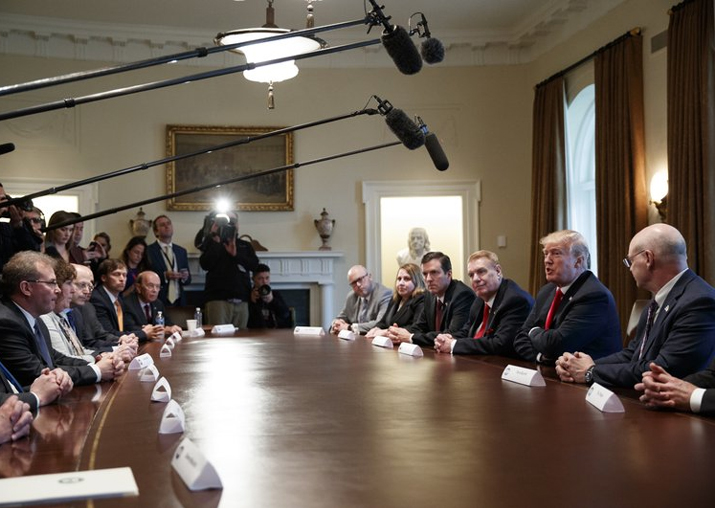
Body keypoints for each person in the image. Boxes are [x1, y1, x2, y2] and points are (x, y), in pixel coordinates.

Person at [556, 224, 715, 388]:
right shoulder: (655, 303)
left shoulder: (699, 302)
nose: (630, 268)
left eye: (630, 261)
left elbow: (661, 370)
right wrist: (580, 365)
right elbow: (633, 354)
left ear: (648, 258)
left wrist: (591, 372)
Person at [0, 251, 124, 387]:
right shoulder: (7, 323)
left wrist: (98, 361)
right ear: (26, 288)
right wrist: (97, 371)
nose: (58, 290)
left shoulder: (36, 320)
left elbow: (55, 358)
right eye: (52, 283)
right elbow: (36, 374)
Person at [513, 230, 621, 363]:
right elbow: (519, 338)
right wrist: (540, 357)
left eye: (556, 253)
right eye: (546, 254)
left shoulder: (593, 295)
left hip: (587, 379)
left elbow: (556, 345)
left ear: (578, 261)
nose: (547, 260)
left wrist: (533, 331)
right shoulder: (546, 292)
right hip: (550, 371)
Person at [434, 250, 534, 356]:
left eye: (481, 272)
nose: (475, 279)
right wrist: (448, 338)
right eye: (471, 275)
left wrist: (453, 345)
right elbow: (467, 331)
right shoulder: (480, 300)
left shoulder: (515, 300)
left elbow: (500, 344)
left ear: (498, 271)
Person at [386, 252, 475, 347]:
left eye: (434, 273)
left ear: (449, 275)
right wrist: (398, 333)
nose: (428, 279)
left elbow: (451, 334)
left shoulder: (462, 295)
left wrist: (410, 337)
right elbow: (419, 327)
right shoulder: (429, 295)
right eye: (424, 274)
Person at [198, 211, 259, 328]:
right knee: (217, 338)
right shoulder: (212, 243)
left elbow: (254, 265)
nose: (231, 224)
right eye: (227, 221)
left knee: (242, 339)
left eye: (234, 221)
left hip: (242, 300)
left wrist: (236, 254)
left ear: (238, 225)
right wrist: (215, 240)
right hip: (218, 300)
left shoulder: (245, 245)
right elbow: (205, 264)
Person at [69, 264, 138, 353]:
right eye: (82, 285)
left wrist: (121, 340)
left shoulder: (87, 306)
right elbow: (87, 344)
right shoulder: (94, 300)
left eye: (90, 285)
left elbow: (100, 333)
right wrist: (118, 348)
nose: (87, 291)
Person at [90, 258, 158, 342]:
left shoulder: (119, 300)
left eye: (124, 275)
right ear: (104, 278)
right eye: (117, 274)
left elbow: (127, 326)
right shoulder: (97, 299)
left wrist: (144, 329)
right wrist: (143, 333)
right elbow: (108, 333)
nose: (122, 279)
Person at [365, 263, 425, 338]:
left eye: (406, 279)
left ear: (417, 281)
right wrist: (375, 329)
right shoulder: (395, 299)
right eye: (399, 279)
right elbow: (383, 322)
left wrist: (386, 332)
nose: (401, 283)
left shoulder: (421, 299)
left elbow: (416, 328)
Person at [330, 265, 392, 335]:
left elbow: (380, 323)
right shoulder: (351, 296)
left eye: (360, 279)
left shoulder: (384, 294)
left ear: (370, 277)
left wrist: (350, 328)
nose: (358, 285)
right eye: (353, 283)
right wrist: (336, 324)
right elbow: (342, 317)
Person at [146, 215, 191, 307]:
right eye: (162, 225)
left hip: (179, 300)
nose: (167, 226)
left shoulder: (181, 251)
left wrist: (185, 277)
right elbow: (146, 275)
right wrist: (165, 276)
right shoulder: (149, 251)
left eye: (169, 224)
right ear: (156, 231)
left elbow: (188, 280)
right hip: (158, 299)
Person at [123, 271, 182, 337]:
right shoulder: (127, 304)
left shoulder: (158, 303)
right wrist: (161, 331)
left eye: (157, 286)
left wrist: (173, 328)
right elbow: (131, 329)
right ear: (138, 288)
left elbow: (167, 323)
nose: (155, 290)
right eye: (150, 286)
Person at [0, 184, 42, 273]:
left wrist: (18, 225)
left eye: (3, 199)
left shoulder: (6, 229)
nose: (2, 203)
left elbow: (32, 256)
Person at [247, 263, 292, 329]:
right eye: (260, 279)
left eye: (267, 278)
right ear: (253, 279)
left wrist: (272, 300)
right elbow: (248, 322)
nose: (264, 282)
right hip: (255, 333)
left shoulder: (275, 294)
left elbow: (285, 314)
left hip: (274, 332)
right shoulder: (249, 295)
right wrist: (252, 302)